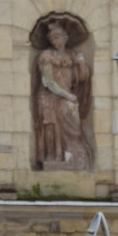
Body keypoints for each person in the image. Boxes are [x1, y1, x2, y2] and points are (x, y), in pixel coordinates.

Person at [31, 18, 94, 168]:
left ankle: (73, 156)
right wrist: (68, 96)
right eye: (51, 38)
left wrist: (81, 62)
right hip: (49, 98)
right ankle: (55, 158)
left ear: (65, 38)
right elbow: (48, 82)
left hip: (66, 96)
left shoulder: (72, 55)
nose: (54, 41)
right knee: (53, 126)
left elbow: (83, 78)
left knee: (72, 118)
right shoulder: (46, 56)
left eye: (57, 37)